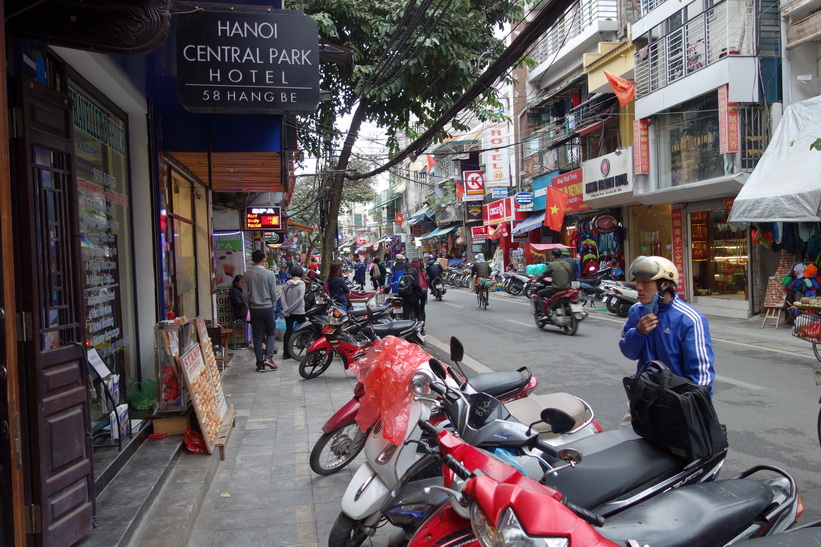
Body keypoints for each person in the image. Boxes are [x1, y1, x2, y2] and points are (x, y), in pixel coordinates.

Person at [619, 255, 715, 392]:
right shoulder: (637, 311)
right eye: (637, 282)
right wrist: (638, 333)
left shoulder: (689, 320)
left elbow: (701, 374)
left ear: (664, 284)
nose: (639, 287)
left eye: (645, 282)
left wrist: (693, 404)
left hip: (677, 400)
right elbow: (629, 353)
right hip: (644, 396)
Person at [243, 249, 279, 372]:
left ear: (252, 260)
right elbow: (273, 292)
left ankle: (260, 364)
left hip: (254, 308)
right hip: (268, 307)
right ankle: (268, 357)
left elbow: (244, 294)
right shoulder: (269, 274)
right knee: (270, 333)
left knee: (257, 337)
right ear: (264, 259)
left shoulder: (247, 274)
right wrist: (273, 304)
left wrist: (249, 305)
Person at [533, 248, 572, 317]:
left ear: (553, 256)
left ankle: (542, 313)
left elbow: (544, 274)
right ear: (561, 256)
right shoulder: (567, 264)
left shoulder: (552, 265)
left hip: (557, 289)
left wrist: (536, 280)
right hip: (567, 288)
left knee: (539, 293)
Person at [280, 266, 307, 360]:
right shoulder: (302, 283)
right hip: (299, 311)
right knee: (307, 330)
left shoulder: (287, 283)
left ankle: (286, 353)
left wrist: (286, 309)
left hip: (288, 313)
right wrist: (289, 310)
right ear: (301, 274)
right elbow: (300, 298)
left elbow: (282, 296)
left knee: (288, 331)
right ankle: (308, 350)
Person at [411, 258, 428, 334]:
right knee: (422, 309)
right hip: (423, 292)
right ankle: (423, 327)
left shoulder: (411, 272)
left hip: (415, 293)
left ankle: (415, 326)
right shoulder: (424, 271)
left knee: (416, 310)